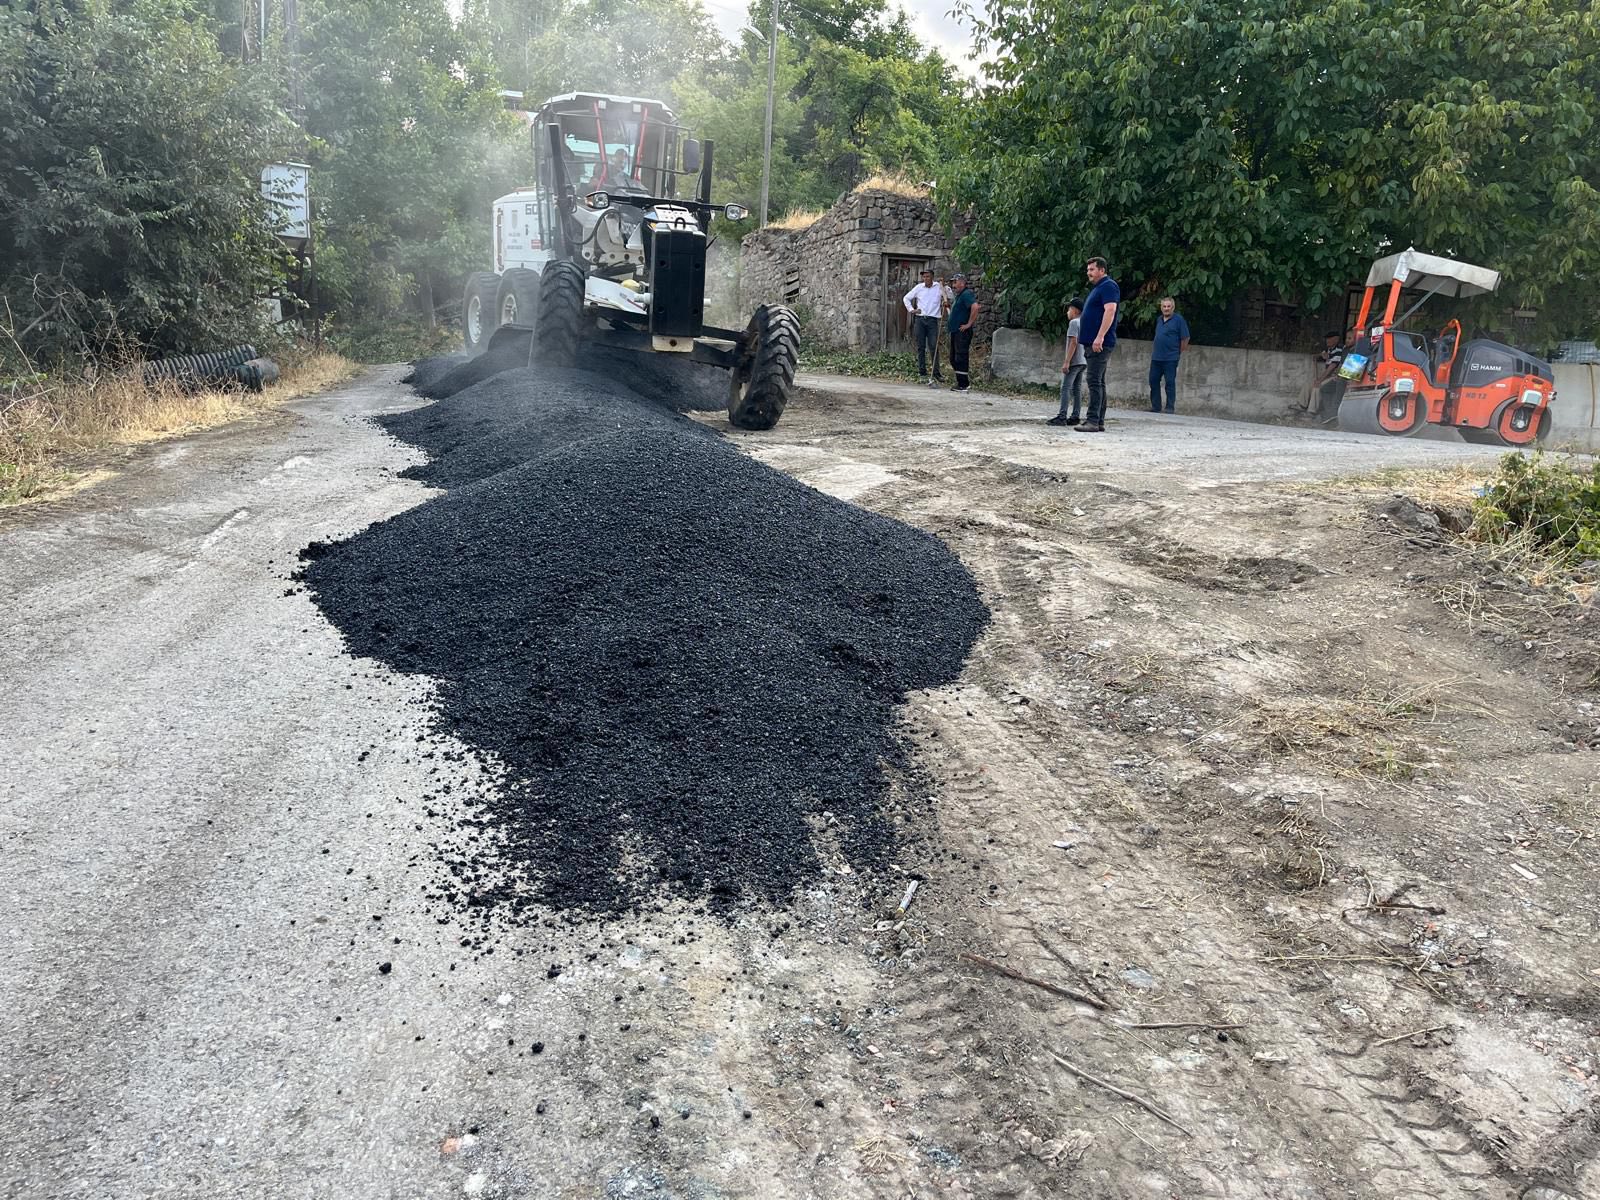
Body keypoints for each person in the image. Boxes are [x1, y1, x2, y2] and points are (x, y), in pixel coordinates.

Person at [1073, 256, 1120, 433]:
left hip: (1099, 343)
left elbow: (1110, 310)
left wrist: (1099, 336)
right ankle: (1098, 421)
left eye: (1092, 269)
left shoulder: (1108, 286)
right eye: (1088, 270)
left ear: (1102, 270)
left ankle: (1092, 420)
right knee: (1099, 381)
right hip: (1094, 342)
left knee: (1094, 380)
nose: (1089, 273)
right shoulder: (1099, 288)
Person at [903, 268, 946, 385]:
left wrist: (945, 287)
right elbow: (906, 298)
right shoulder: (919, 288)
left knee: (934, 346)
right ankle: (922, 372)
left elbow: (949, 296)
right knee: (921, 347)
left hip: (933, 320)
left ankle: (936, 373)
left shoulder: (939, 286)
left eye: (927, 277)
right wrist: (912, 310)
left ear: (932, 277)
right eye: (924, 277)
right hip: (920, 319)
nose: (925, 279)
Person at [1148, 296, 1190, 413]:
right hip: (1156, 357)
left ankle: (1169, 407)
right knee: (1153, 381)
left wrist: (1178, 352)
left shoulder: (1179, 320)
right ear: (1161, 308)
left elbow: (1185, 338)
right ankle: (1156, 407)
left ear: (1173, 307)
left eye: (1168, 306)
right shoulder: (1159, 320)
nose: (1166, 309)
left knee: (1170, 382)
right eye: (1164, 306)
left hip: (1170, 358)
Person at [1048, 297, 1086, 426]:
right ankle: (1075, 415)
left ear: (1075, 310)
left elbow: (1073, 342)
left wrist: (1067, 361)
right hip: (1083, 359)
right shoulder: (1084, 322)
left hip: (1074, 360)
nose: (1067, 312)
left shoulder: (1074, 323)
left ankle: (1062, 416)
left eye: (1069, 309)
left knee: (1065, 388)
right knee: (1077, 388)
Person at [947, 273, 980, 391]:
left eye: (955, 282)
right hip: (955, 331)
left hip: (962, 332)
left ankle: (963, 384)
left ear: (962, 282)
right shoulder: (959, 296)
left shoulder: (966, 294)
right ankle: (960, 381)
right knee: (953, 358)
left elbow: (975, 307)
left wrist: (969, 324)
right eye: (953, 283)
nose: (953, 285)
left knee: (960, 357)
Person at [1306, 330, 1346, 415]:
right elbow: (1320, 356)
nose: (1327, 340)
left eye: (1329, 338)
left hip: (1334, 376)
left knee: (1317, 387)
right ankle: (1301, 405)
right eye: (1327, 339)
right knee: (1308, 385)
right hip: (1329, 376)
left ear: (1336, 339)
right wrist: (1320, 355)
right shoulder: (1329, 350)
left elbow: (1332, 367)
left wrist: (1319, 380)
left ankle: (1312, 411)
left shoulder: (1339, 349)